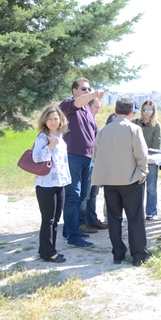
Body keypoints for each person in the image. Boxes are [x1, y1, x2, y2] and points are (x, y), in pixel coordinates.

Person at [92, 98, 149, 266]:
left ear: (115, 111)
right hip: (131, 180)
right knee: (135, 219)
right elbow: (142, 156)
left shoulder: (103, 130)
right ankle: (138, 256)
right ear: (132, 113)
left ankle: (118, 254)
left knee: (114, 219)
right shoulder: (134, 129)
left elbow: (95, 156)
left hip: (109, 182)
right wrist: (142, 173)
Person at [60, 78, 106, 248]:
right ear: (74, 91)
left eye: (90, 88)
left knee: (81, 196)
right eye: (84, 88)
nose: (88, 91)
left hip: (88, 159)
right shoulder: (68, 105)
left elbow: (94, 134)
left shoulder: (87, 110)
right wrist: (94, 94)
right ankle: (73, 236)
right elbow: (76, 104)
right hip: (73, 157)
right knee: (73, 196)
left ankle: (69, 230)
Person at [32, 104, 71, 263]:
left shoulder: (61, 137)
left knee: (55, 219)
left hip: (59, 182)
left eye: (56, 118)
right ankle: (49, 253)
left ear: (61, 120)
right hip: (45, 184)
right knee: (48, 219)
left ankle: (47, 250)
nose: (53, 121)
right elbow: (36, 158)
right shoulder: (43, 137)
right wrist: (50, 146)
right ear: (45, 121)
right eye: (50, 119)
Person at [79, 98, 107, 231]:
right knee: (86, 193)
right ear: (87, 106)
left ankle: (92, 219)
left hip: (95, 161)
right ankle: (82, 222)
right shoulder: (83, 122)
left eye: (99, 107)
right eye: (96, 107)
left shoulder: (93, 121)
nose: (98, 110)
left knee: (94, 192)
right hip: (86, 160)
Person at [133, 100, 161, 220]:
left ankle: (151, 212)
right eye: (144, 110)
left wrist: (147, 155)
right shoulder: (135, 123)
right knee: (137, 187)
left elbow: (156, 145)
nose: (146, 113)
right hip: (136, 160)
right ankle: (136, 212)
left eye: (149, 111)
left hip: (150, 160)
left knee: (151, 187)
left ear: (153, 112)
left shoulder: (156, 125)